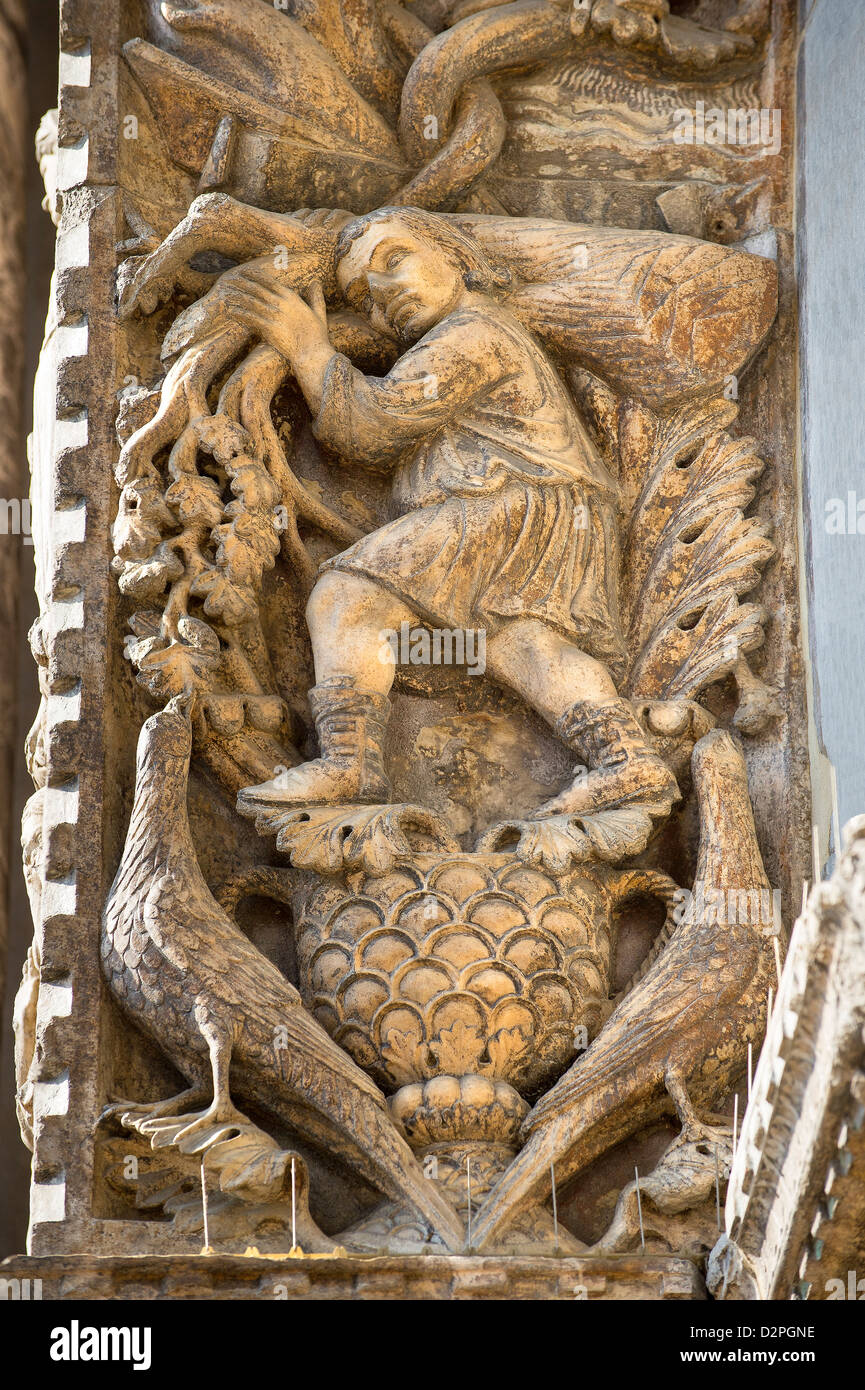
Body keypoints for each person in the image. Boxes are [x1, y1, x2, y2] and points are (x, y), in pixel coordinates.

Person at [224, 205, 677, 818]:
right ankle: (627, 762)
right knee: (524, 647)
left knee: (347, 594)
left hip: (507, 503)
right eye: (364, 293)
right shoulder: (471, 331)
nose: (384, 293)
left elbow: (376, 425)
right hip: (551, 512)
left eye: (395, 259)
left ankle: (350, 763)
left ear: (456, 256)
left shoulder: (471, 334)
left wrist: (307, 346)